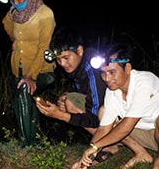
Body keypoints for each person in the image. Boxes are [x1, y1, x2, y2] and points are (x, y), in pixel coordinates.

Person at [69, 43, 159, 169]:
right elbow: (104, 128)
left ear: (127, 68)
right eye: (103, 73)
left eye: (112, 72)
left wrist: (97, 146)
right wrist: (84, 161)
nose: (106, 78)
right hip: (147, 135)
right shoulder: (113, 91)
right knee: (104, 112)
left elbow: (126, 127)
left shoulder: (145, 83)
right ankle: (141, 154)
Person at [35, 27, 118, 161]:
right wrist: (68, 94)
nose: (62, 63)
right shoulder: (79, 67)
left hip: (118, 120)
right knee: (68, 99)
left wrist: (62, 116)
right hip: (107, 118)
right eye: (58, 59)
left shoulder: (92, 68)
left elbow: (96, 118)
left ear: (79, 50)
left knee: (70, 102)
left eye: (66, 57)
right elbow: (84, 89)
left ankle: (108, 144)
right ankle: (106, 143)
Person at [0, 0, 56, 147]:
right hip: (19, 68)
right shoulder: (14, 13)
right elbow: (6, 24)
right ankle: (36, 140)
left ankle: (25, 144)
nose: (17, 4)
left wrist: (31, 76)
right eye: (13, 0)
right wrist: (15, 39)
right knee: (22, 101)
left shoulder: (45, 14)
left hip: (43, 69)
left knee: (25, 89)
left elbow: (44, 48)